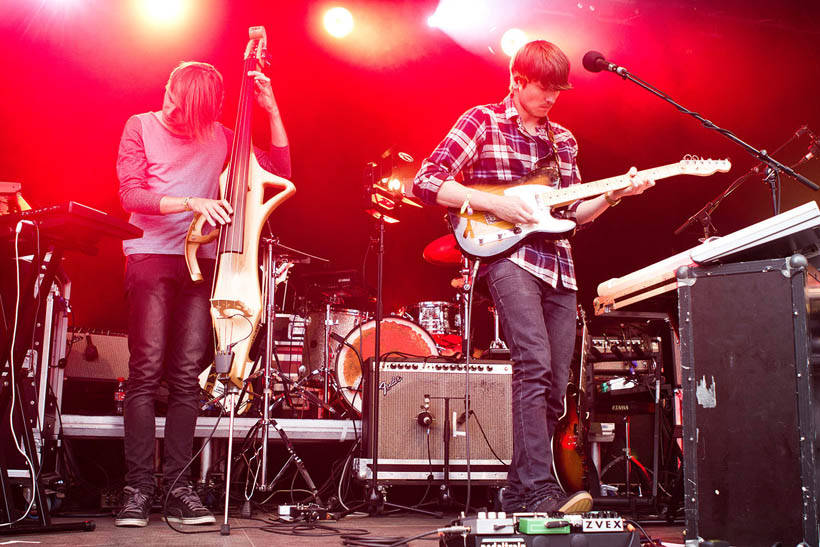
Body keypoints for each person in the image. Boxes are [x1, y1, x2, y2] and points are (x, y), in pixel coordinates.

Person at [413, 40, 653, 514]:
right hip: (507, 259)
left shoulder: (563, 140)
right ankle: (541, 487)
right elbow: (427, 180)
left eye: (558, 91)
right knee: (534, 364)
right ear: (517, 81)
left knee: (555, 382)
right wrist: (498, 203)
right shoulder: (481, 121)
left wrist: (616, 194)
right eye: (543, 89)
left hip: (559, 267)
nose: (551, 99)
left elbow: (574, 214)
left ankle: (520, 490)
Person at [115, 61, 291, 527]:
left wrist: (271, 111)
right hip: (151, 255)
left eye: (185, 106)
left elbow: (278, 172)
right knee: (145, 370)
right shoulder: (140, 126)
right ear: (168, 85)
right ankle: (136, 489)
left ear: (206, 109)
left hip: (203, 264)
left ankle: (177, 488)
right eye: (171, 97)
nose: (173, 109)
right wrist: (192, 202)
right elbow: (131, 195)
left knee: (188, 376)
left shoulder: (223, 136)